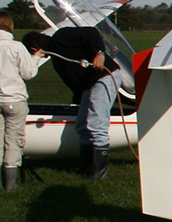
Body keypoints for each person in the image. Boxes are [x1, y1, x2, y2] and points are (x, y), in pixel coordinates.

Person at [42, 24, 121, 181]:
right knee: (82, 125)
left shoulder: (61, 36)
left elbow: (91, 32)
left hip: (104, 75)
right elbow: (75, 82)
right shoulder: (57, 60)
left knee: (96, 123)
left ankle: (100, 173)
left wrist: (99, 53)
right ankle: (87, 168)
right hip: (90, 83)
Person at [0, 14, 44, 191]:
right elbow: (28, 73)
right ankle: (11, 185)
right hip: (14, 100)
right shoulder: (16, 47)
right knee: (13, 140)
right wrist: (36, 57)